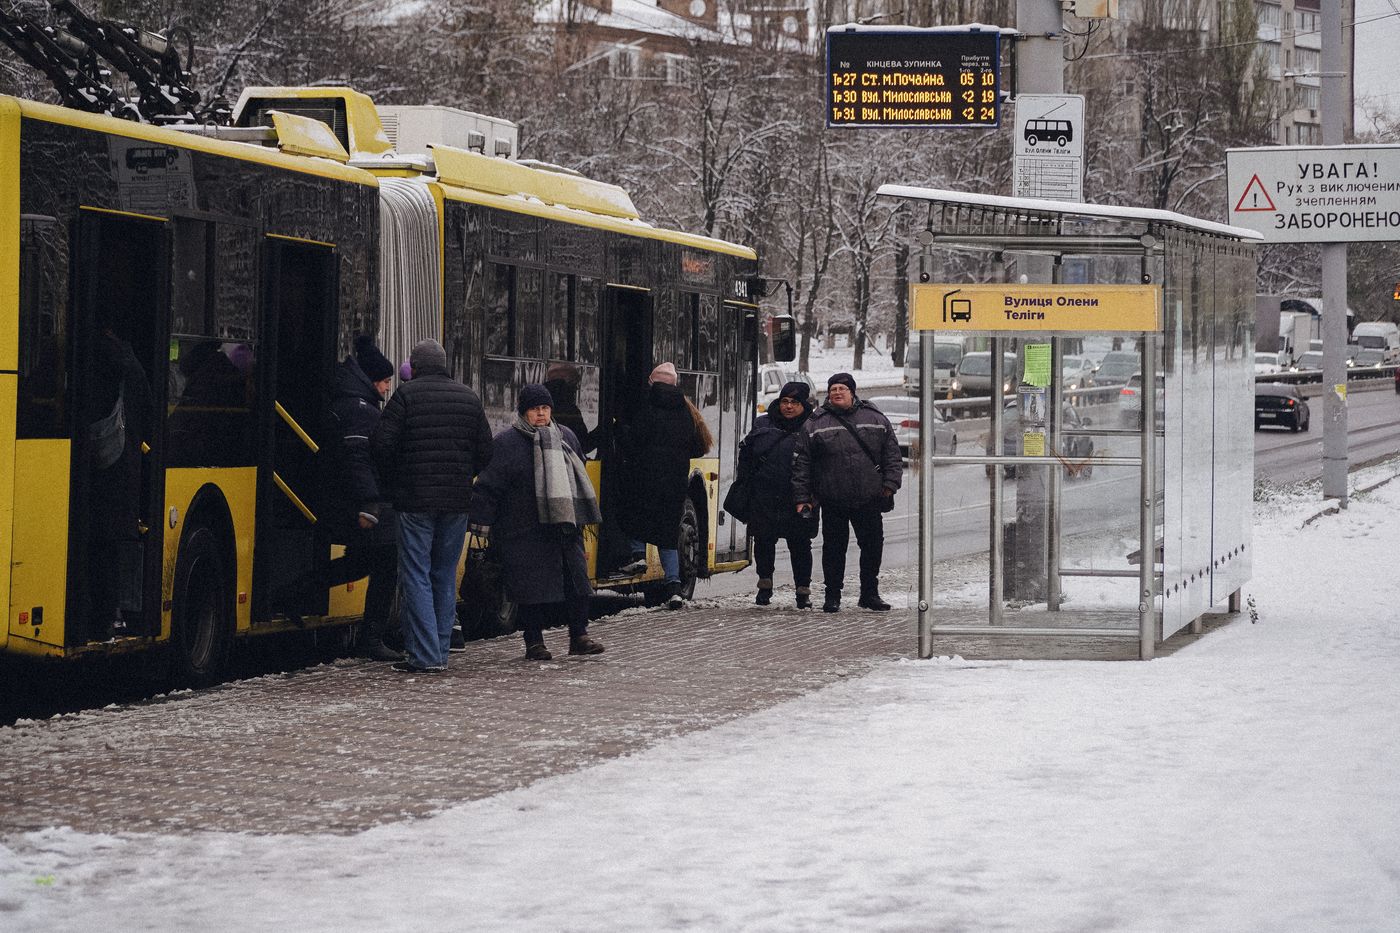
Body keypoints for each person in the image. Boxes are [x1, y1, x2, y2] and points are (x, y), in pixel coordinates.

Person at [371, 338, 493, 673]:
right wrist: (463, 474)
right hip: (456, 503)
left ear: (416, 364)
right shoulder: (468, 397)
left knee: (416, 573)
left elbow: (382, 445)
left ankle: (424, 656)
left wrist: (396, 479)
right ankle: (439, 649)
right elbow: (486, 452)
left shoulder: (405, 396)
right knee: (443, 573)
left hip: (414, 501)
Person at [469, 384, 606, 660]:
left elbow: (578, 470)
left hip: (564, 527)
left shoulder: (566, 436)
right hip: (522, 528)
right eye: (535, 409)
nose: (541, 414)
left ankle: (579, 636)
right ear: (523, 412)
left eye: (545, 408)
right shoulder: (506, 443)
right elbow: (488, 485)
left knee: (578, 583)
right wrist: (481, 524)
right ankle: (534, 642)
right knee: (530, 590)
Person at [792, 372, 902, 613]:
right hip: (833, 499)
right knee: (833, 549)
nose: (837, 393)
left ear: (853, 392)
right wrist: (802, 498)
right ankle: (832, 596)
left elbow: (892, 455)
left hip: (870, 497)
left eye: (842, 389)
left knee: (872, 547)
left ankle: (869, 594)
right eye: (833, 390)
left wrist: (890, 485)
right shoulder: (815, 423)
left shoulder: (875, 418)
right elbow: (802, 464)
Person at [323, 336, 401, 662]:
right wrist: (370, 502)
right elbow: (358, 459)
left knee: (364, 563)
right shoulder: (361, 411)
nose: (386, 389)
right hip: (362, 506)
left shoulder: (353, 402)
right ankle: (371, 639)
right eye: (384, 382)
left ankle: (294, 593)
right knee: (384, 565)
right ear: (370, 380)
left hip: (348, 501)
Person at [619, 362, 711, 609]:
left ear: (652, 382)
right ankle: (673, 588)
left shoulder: (646, 407)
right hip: (675, 481)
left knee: (634, 514)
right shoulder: (685, 410)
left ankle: (638, 557)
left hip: (645, 476)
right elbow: (696, 444)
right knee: (668, 534)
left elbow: (635, 440)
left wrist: (621, 431)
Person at [84, 326, 152, 641]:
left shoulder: (92, 355)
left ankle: (102, 615)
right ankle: (112, 615)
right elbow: (149, 403)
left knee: (98, 541)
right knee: (109, 543)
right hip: (123, 462)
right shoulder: (129, 360)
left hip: (101, 464)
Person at [737, 381, 819, 609]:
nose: (789, 407)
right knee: (764, 541)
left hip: (799, 497)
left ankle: (803, 590)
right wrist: (747, 483)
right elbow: (747, 455)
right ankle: (764, 585)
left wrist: (813, 495)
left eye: (794, 402)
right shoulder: (763, 423)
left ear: (804, 404)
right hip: (765, 495)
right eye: (785, 401)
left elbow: (820, 463)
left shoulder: (813, 426)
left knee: (800, 544)